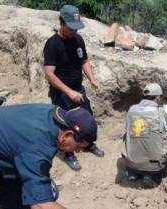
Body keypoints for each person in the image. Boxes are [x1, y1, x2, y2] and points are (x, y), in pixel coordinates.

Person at [0, 103, 98, 209]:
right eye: (78, 146)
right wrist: (39, 194)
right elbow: (40, 204)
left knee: (19, 204)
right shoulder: (37, 145)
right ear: (67, 134)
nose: (77, 152)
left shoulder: (54, 115)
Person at [43, 5, 104, 171]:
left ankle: (88, 144)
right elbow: (49, 74)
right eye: (71, 28)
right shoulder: (52, 44)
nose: (74, 32)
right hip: (62, 93)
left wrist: (92, 79)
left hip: (79, 89)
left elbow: (84, 61)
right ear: (61, 23)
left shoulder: (78, 40)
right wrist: (69, 92)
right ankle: (68, 153)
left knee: (86, 119)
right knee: (65, 125)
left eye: (76, 28)